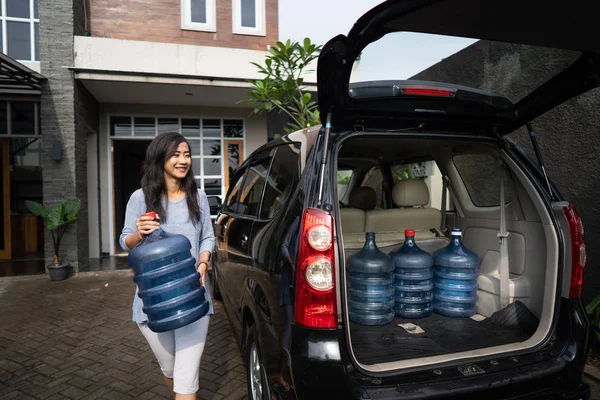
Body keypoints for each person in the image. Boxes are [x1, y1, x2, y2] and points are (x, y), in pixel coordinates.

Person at [119, 131, 215, 400]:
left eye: (186, 154)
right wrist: (139, 232)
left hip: (193, 297)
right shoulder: (140, 198)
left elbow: (208, 236)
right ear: (160, 159)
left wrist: (204, 263)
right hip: (153, 304)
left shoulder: (199, 196)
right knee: (171, 369)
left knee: (186, 382)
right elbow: (125, 242)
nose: (183, 160)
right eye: (175, 154)